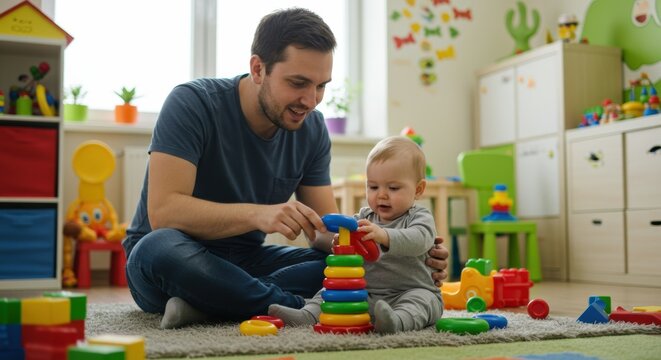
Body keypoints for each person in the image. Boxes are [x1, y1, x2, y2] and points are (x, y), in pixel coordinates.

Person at [122, 8, 449, 330]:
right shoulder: (192, 103)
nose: (311, 100)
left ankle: (211, 305)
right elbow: (164, 213)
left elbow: (326, 235)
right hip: (175, 258)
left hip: (249, 261)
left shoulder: (313, 128)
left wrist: (403, 255)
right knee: (156, 247)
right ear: (258, 69)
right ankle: (294, 308)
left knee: (338, 265)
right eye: (298, 83)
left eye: (321, 86)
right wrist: (258, 215)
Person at [269, 136, 444, 334]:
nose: (382, 195)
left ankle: (397, 322)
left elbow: (419, 240)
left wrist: (384, 235)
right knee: (329, 292)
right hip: (365, 294)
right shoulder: (363, 217)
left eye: (393, 188)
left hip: (409, 291)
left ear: (418, 189)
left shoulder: (419, 217)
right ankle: (307, 314)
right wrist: (342, 243)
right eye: (373, 186)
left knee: (421, 302)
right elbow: (347, 242)